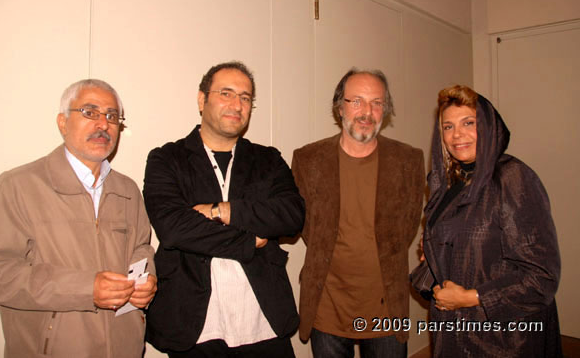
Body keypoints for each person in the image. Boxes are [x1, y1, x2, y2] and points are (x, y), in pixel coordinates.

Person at [0, 79, 157, 358]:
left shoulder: (128, 190)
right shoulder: (18, 185)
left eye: (112, 116)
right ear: (62, 123)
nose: (103, 124)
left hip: (125, 348)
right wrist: (86, 288)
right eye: (90, 112)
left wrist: (145, 282)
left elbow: (141, 249)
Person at [143, 61, 305, 358]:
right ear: (202, 99)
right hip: (195, 324)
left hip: (263, 320)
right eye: (226, 93)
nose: (237, 104)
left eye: (245, 97)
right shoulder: (167, 159)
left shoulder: (267, 159)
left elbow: (292, 215)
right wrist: (248, 240)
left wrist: (221, 211)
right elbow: (174, 228)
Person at [415, 85, 562, 357]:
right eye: (448, 127)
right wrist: (438, 250)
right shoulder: (449, 183)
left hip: (503, 338)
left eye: (468, 123)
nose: (457, 134)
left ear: (489, 127)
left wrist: (470, 298)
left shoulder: (512, 178)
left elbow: (542, 277)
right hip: (455, 330)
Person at [292, 68, 425, 358]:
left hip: (386, 307)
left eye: (377, 102)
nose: (367, 112)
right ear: (340, 107)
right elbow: (307, 227)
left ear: (385, 110)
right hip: (327, 307)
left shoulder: (409, 161)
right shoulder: (308, 159)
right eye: (357, 101)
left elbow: (407, 227)